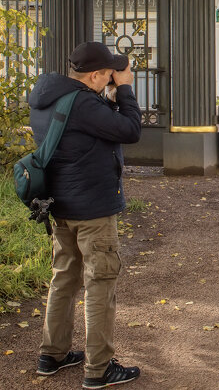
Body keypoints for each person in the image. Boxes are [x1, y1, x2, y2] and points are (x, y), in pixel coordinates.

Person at [29, 42, 142, 389]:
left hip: (61, 206)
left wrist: (107, 95)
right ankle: (99, 368)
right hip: (93, 211)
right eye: (108, 72)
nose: (112, 76)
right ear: (95, 75)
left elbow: (89, 129)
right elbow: (130, 130)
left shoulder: (50, 97)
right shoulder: (82, 104)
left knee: (64, 278)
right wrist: (124, 89)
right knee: (99, 284)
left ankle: (53, 355)